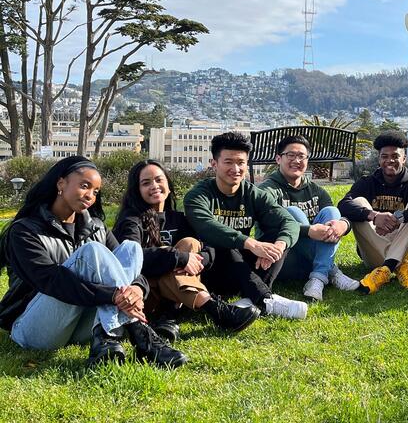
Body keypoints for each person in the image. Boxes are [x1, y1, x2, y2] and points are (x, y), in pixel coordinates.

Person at [0, 156, 187, 368]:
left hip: (80, 328)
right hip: (35, 329)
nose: (90, 196)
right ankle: (140, 334)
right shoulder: (25, 231)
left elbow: (131, 269)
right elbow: (52, 281)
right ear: (61, 184)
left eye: (96, 191)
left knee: (131, 249)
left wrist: (135, 289)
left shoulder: (97, 227)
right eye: (85, 186)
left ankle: (107, 338)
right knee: (92, 252)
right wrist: (114, 294)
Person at [113, 160, 260, 341]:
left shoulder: (179, 218)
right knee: (171, 254)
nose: (154, 186)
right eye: (146, 183)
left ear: (168, 183)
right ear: (136, 190)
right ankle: (215, 310)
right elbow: (131, 257)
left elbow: (208, 248)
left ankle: (169, 316)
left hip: (177, 291)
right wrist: (179, 258)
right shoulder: (131, 220)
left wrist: (197, 260)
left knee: (190, 243)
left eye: (159, 180)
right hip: (145, 294)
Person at [184, 132, 308, 319]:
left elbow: (289, 222)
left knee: (277, 237)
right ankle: (265, 299)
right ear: (214, 164)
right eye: (228, 162)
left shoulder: (252, 193)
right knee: (223, 241)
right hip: (211, 269)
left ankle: (249, 300)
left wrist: (277, 247)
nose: (236, 168)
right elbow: (207, 226)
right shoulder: (198, 195)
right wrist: (252, 244)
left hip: (243, 268)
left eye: (241, 163)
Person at [259, 135, 360, 301]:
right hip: (283, 259)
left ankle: (317, 279)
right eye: (291, 155)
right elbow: (269, 224)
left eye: (301, 156)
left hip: (307, 262)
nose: (296, 160)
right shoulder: (267, 190)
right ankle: (330, 270)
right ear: (278, 158)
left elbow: (335, 222)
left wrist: (343, 225)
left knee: (331, 211)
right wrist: (309, 231)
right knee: (293, 213)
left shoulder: (316, 191)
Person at [338, 131, 408, 294]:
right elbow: (343, 205)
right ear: (379, 159)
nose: (389, 160)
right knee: (358, 204)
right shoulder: (367, 182)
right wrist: (374, 216)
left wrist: (399, 218)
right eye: (384, 156)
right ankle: (398, 266)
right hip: (375, 253)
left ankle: (387, 268)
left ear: (404, 158)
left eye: (395, 156)